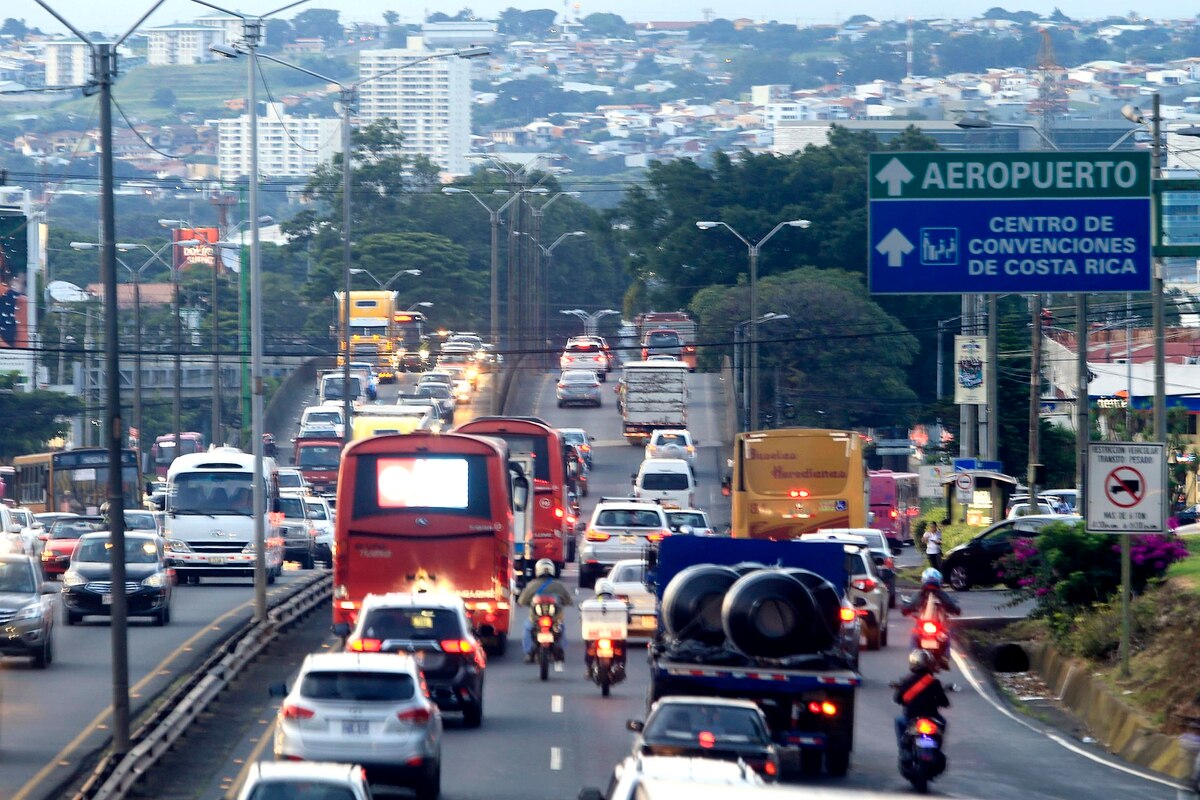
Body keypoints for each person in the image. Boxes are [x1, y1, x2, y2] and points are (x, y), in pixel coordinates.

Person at [517, 558, 573, 663]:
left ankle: (529, 652)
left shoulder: (532, 585)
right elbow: (568, 601)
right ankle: (560, 651)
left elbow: (522, 601)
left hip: (535, 619)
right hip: (555, 619)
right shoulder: (558, 585)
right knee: (561, 628)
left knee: (527, 628)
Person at [893, 649, 951, 749]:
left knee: (899, 721)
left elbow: (897, 699)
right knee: (943, 722)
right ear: (930, 664)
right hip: (932, 717)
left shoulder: (906, 681)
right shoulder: (934, 682)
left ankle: (904, 749)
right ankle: (937, 746)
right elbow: (944, 702)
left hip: (911, 717)